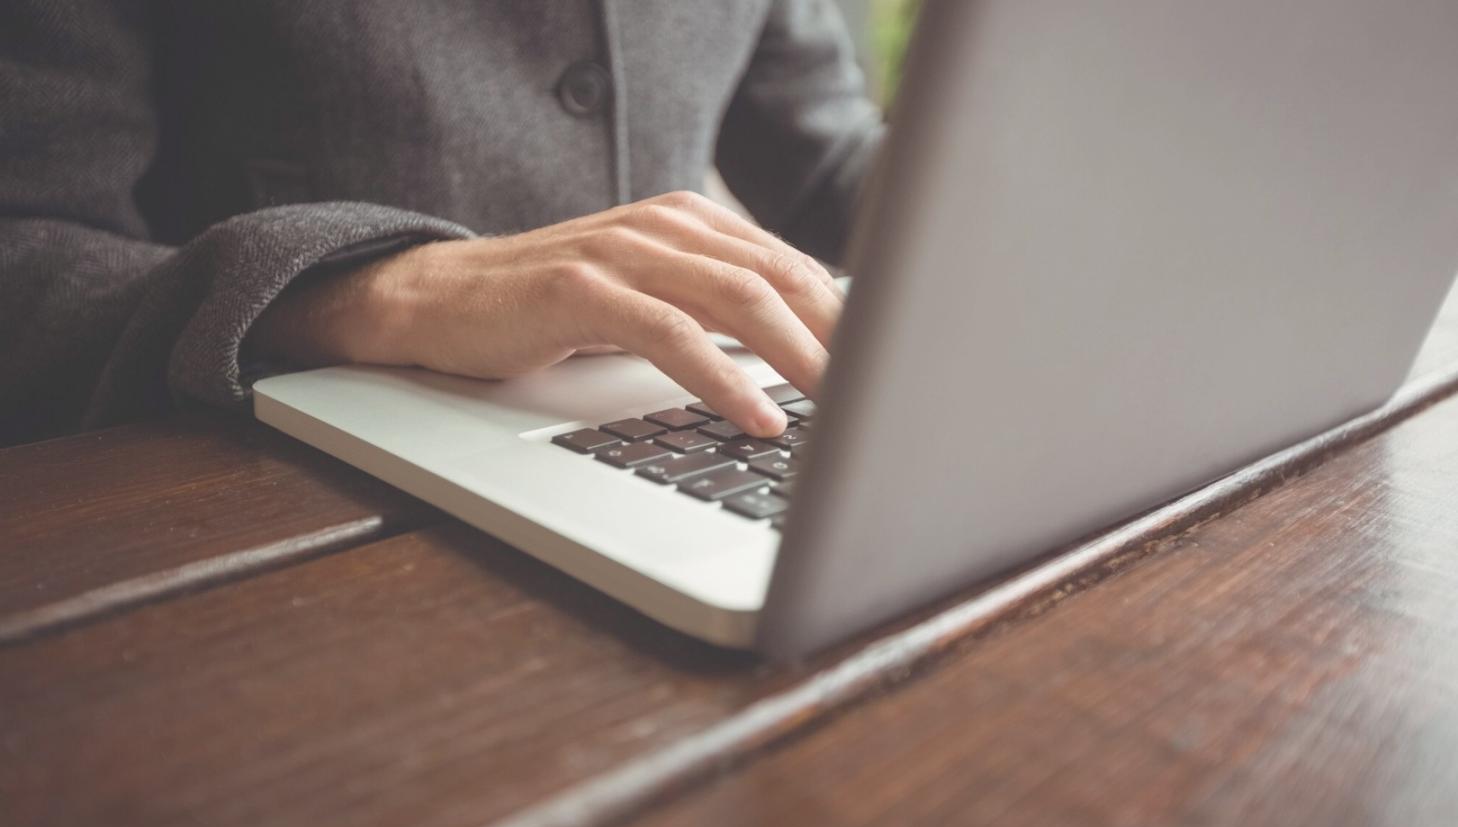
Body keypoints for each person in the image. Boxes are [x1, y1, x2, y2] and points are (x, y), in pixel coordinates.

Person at [0, 2, 885, 447]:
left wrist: (967, 195)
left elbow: (827, 170)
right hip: (264, 495)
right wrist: (367, 293)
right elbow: (24, 248)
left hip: (670, 434)